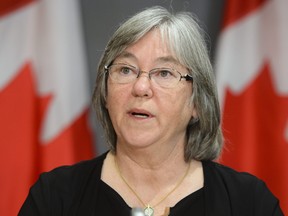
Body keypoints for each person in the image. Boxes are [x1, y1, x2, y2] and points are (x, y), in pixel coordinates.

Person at [19, 6, 283, 216]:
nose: (141, 87)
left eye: (164, 73)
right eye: (125, 70)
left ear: (197, 104)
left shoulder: (249, 203)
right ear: (105, 93)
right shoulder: (54, 198)